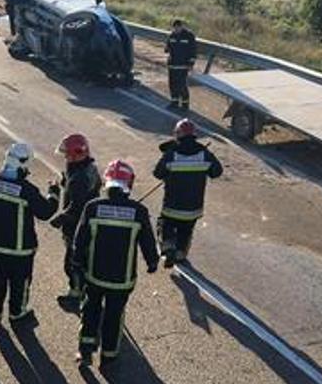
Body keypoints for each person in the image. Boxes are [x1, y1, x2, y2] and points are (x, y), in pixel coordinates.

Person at [72, 159, 159, 367]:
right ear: (129, 184)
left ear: (106, 183)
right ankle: (109, 356)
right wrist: (152, 262)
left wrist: (77, 263)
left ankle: (85, 352)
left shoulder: (93, 207)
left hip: (94, 275)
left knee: (90, 311)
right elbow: (148, 241)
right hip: (122, 280)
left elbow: (80, 240)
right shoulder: (138, 211)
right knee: (114, 316)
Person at [0, 143, 60, 323]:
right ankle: (17, 313)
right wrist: (54, 192)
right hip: (21, 251)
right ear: (23, 165)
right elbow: (45, 212)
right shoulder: (27, 190)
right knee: (20, 284)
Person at [153, 118, 222, 268]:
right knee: (186, 230)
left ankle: (168, 248)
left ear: (178, 134)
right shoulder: (204, 154)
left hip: (171, 207)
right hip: (193, 208)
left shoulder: (172, 154)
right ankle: (180, 253)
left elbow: (157, 173)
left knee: (165, 225)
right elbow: (217, 172)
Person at [49, 134, 100, 307]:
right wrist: (65, 183)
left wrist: (60, 218)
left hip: (76, 227)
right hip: (88, 223)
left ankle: (76, 292)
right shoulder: (89, 169)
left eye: (67, 154)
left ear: (75, 154)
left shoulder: (78, 178)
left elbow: (77, 205)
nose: (65, 157)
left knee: (72, 262)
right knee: (83, 259)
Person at [165, 19, 197, 111]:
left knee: (182, 85)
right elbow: (167, 48)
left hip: (183, 65)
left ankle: (185, 104)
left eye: (178, 27)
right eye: (174, 28)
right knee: (172, 84)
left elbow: (193, 50)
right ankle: (174, 102)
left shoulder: (189, 36)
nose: (176, 29)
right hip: (172, 65)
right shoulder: (172, 35)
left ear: (182, 27)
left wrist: (191, 63)